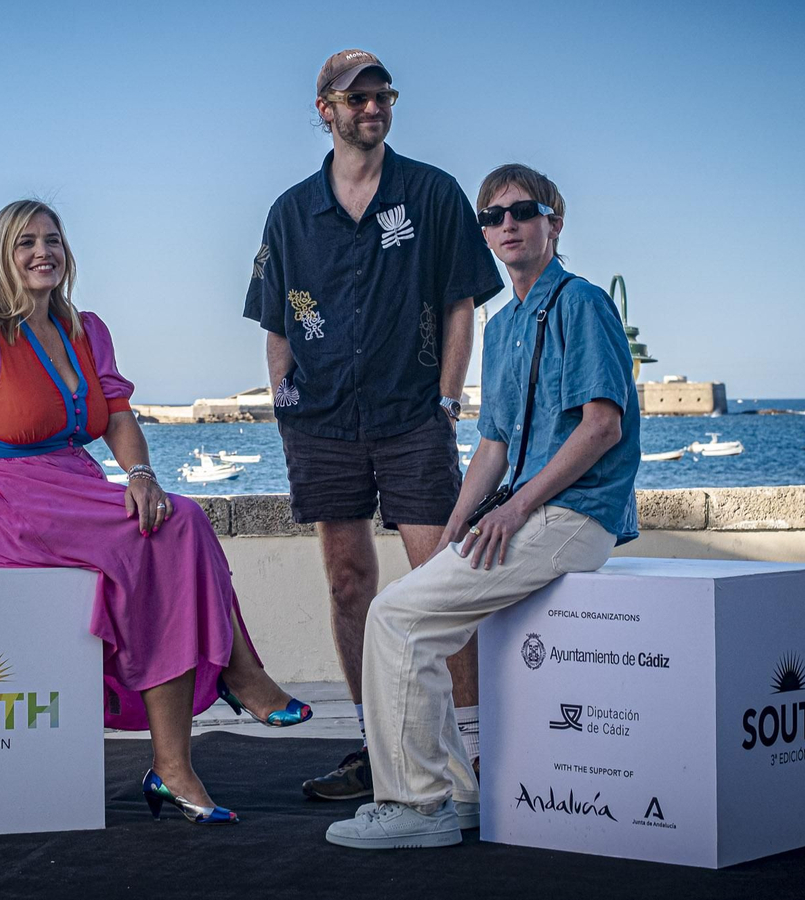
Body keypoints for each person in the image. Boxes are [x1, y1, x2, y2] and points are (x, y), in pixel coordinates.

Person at [0, 199, 311, 826]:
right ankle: (239, 678)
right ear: (1, 256)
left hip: (70, 481)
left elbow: (116, 416)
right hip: (2, 495)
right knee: (167, 531)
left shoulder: (88, 330)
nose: (42, 252)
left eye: (52, 240)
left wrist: (140, 474)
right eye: (25, 242)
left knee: (175, 519)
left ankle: (176, 763)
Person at [324, 164, 641, 849]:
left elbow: (601, 426)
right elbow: (494, 443)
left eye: (522, 211)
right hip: (527, 512)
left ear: (553, 221)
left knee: (394, 618)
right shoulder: (504, 327)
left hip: (574, 514)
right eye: (491, 217)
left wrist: (514, 510)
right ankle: (459, 800)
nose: (506, 226)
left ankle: (416, 804)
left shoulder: (582, 304)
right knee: (413, 615)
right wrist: (455, 530)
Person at [243, 49, 504, 801]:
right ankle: (376, 748)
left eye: (381, 96)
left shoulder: (431, 194)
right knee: (349, 583)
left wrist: (449, 402)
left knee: (442, 581)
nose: (372, 109)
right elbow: (275, 318)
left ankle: (474, 750)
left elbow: (462, 302)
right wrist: (285, 404)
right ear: (324, 109)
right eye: (355, 99)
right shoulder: (291, 212)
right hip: (321, 423)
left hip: (412, 416)